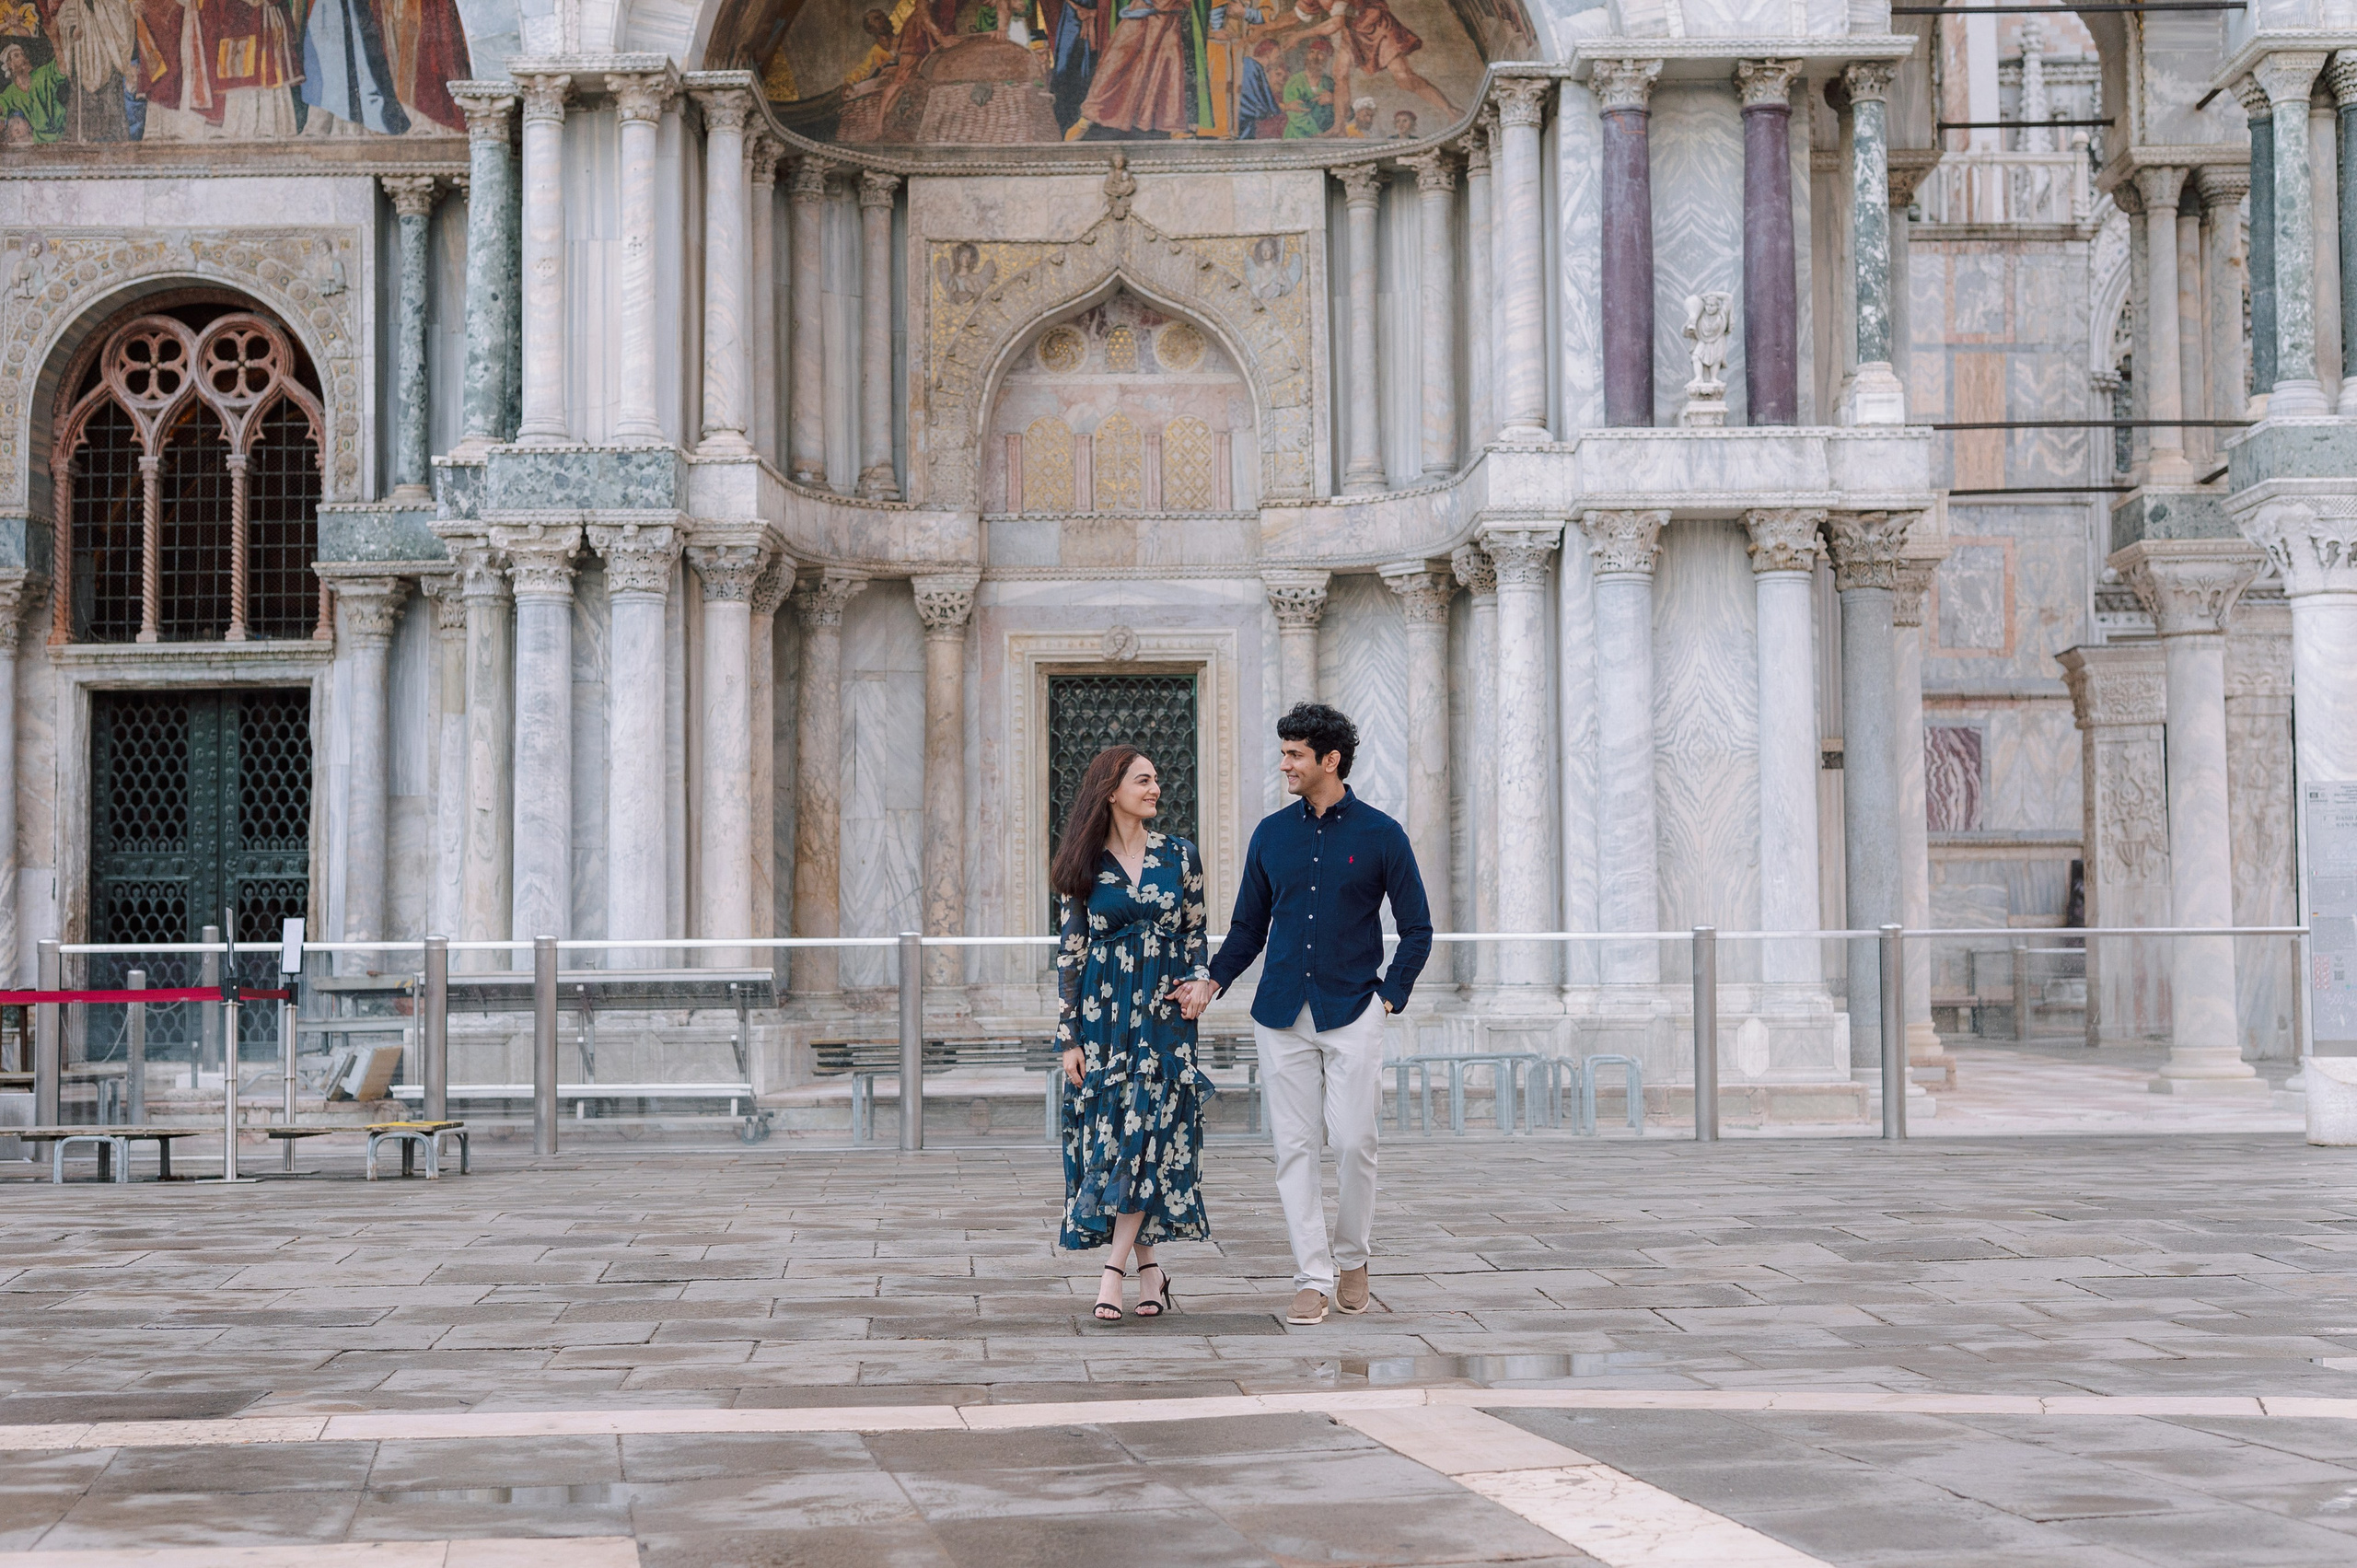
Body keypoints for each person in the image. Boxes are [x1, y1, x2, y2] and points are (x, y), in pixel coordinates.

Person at [1176, 703, 1431, 1326]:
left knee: (1352, 1141)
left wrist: (1391, 993)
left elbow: (1417, 927)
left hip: (1353, 1009)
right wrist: (1215, 978)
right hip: (1280, 1012)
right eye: (1284, 751)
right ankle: (1313, 1276)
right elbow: (1247, 927)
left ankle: (1353, 1257)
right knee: (1293, 1147)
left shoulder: (1382, 834)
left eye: (1295, 754)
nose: (1284, 763)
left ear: (1330, 759)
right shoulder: (1271, 834)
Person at [1053, 745, 1214, 1321]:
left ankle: (1112, 1272)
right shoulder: (1084, 862)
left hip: (1165, 1018)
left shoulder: (1181, 855)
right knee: (1121, 1136)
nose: (1155, 789)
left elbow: (1197, 934)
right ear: (1111, 790)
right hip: (1102, 1020)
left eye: (1156, 780)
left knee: (1149, 1129)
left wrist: (1203, 982)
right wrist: (1068, 1039)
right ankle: (1151, 1270)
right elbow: (1072, 954)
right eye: (1143, 781)